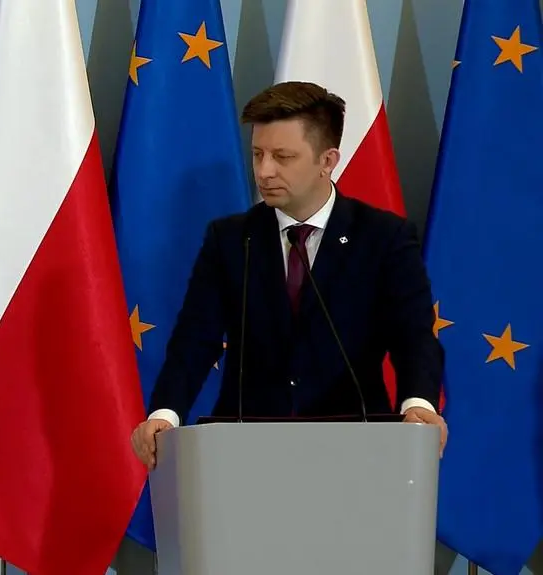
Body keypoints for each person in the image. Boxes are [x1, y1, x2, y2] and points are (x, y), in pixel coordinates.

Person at [130, 81, 447, 469]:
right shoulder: (230, 240)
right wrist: (165, 414)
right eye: (258, 154)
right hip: (244, 453)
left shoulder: (384, 238)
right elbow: (194, 341)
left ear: (327, 160)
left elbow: (413, 336)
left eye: (283, 157)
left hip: (356, 451)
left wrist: (418, 404)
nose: (264, 171)